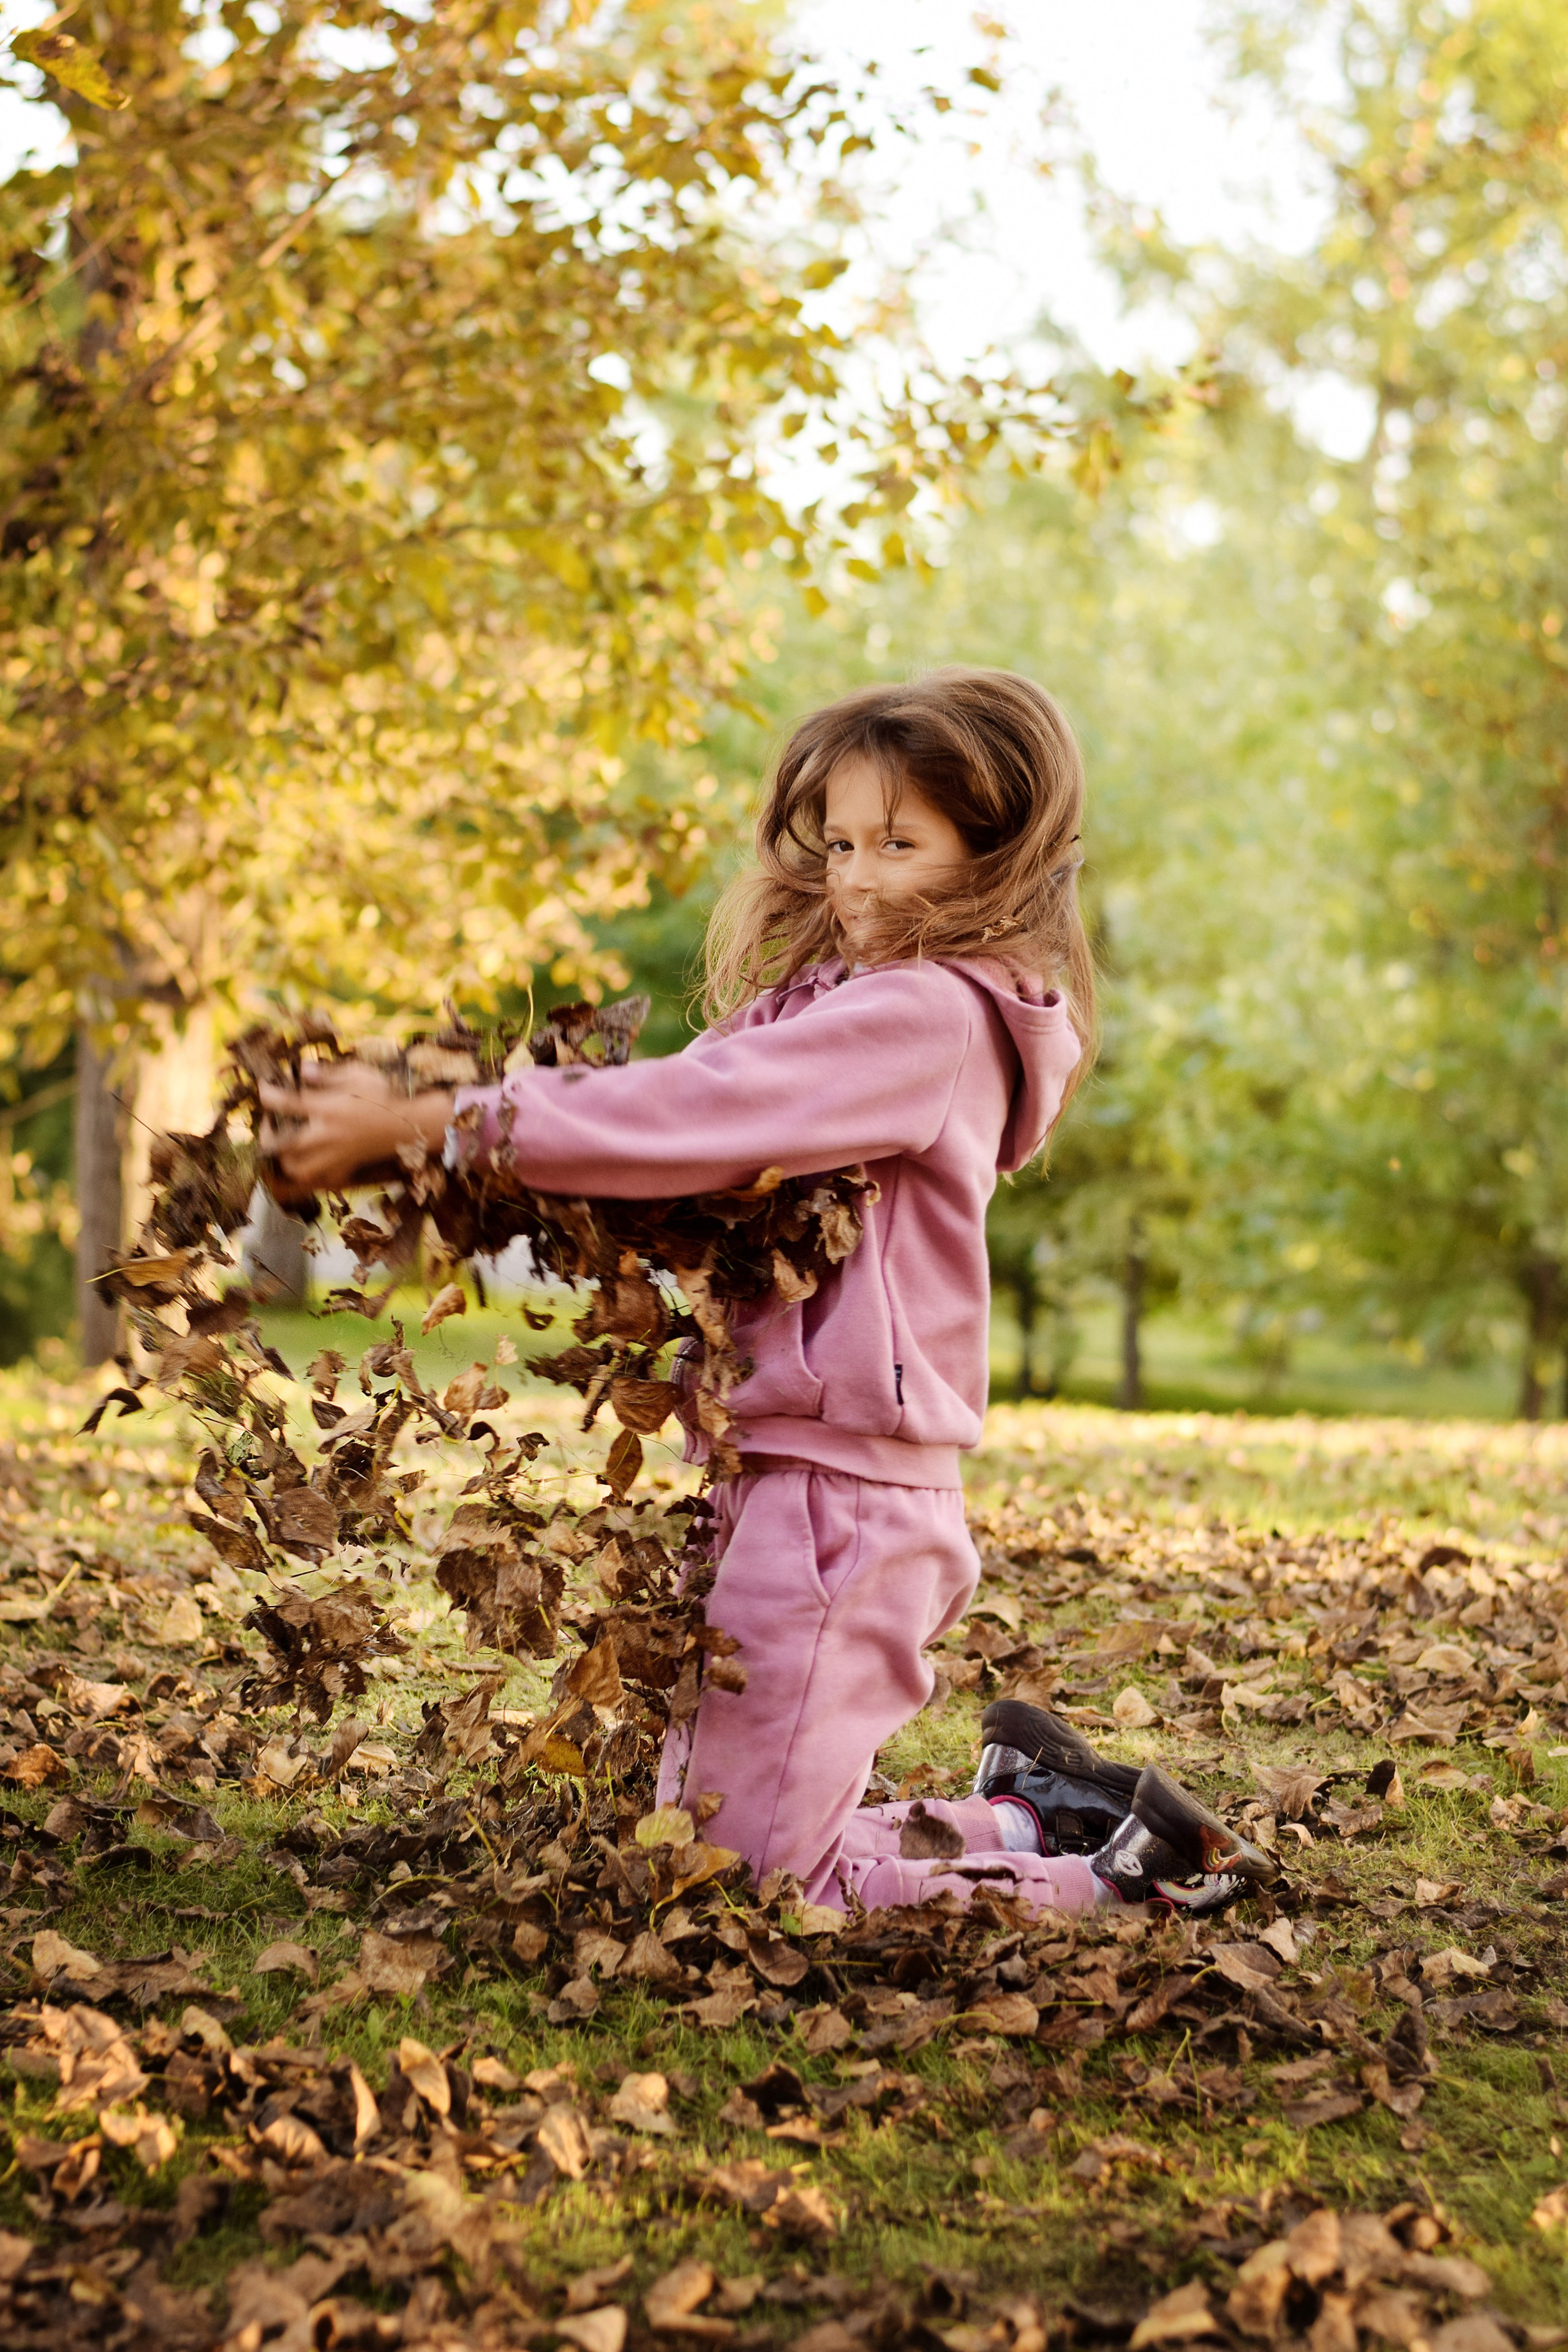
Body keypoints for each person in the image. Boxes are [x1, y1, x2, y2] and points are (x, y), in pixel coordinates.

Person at [260, 668, 1269, 1918]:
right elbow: (679, 1120)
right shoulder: (844, 1004)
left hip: (841, 1505)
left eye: (900, 843)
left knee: (738, 1889)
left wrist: (439, 1124)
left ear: (995, 854)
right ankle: (1023, 1812)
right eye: (839, 840)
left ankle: (1126, 1885)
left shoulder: (930, 1017)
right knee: (703, 1833)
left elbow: (700, 1112)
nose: (853, 875)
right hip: (780, 1472)